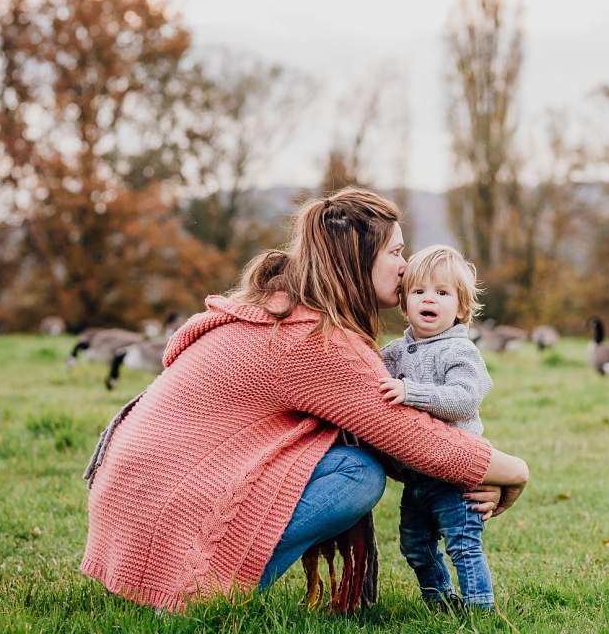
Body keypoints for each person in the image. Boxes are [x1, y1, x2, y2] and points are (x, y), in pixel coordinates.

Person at [80, 188, 529, 611]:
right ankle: (207, 590)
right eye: (395, 252)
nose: (405, 266)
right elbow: (412, 437)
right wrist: (514, 472)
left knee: (345, 450)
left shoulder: (280, 306)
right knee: (358, 473)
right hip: (163, 510)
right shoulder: (316, 340)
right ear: (358, 260)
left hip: (135, 500)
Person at [379, 245, 497, 610]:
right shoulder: (395, 352)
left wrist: (411, 392)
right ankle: (438, 598)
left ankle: (480, 608)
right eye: (419, 291)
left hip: (454, 474)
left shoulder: (460, 352)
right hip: (415, 479)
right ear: (404, 303)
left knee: (462, 543)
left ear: (461, 308)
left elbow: (463, 398)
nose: (429, 299)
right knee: (414, 545)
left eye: (442, 293)